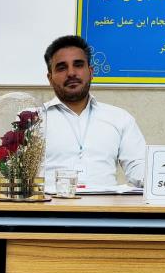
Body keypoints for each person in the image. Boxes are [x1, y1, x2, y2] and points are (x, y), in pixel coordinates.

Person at [42, 35, 146, 187]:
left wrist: (161, 182)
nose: (71, 73)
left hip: (106, 202)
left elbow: (139, 167)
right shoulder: (33, 120)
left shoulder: (119, 118)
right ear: (50, 78)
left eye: (78, 65)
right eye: (62, 68)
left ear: (91, 72)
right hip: (50, 202)